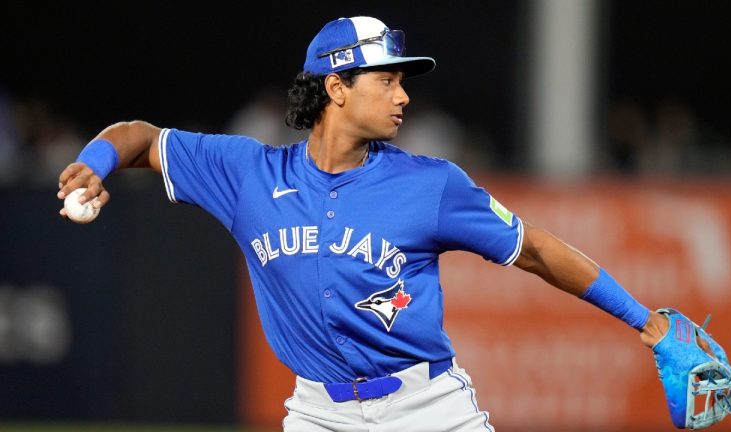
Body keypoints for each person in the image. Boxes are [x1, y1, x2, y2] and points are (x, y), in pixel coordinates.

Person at [58, 16, 676, 432]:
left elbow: (535, 249)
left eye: (402, 82)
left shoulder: (430, 184)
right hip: (317, 414)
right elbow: (137, 137)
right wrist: (92, 165)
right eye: (387, 80)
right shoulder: (247, 172)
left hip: (427, 408)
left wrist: (648, 324)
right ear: (338, 87)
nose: (403, 96)